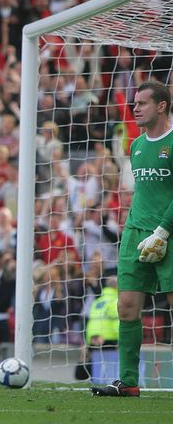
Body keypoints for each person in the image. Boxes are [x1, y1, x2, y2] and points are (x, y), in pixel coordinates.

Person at [92, 80, 173, 397]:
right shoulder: (136, 146)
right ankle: (127, 381)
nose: (135, 108)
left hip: (169, 231)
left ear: (162, 106)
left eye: (142, 103)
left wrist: (163, 231)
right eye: (134, 103)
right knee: (126, 307)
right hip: (136, 233)